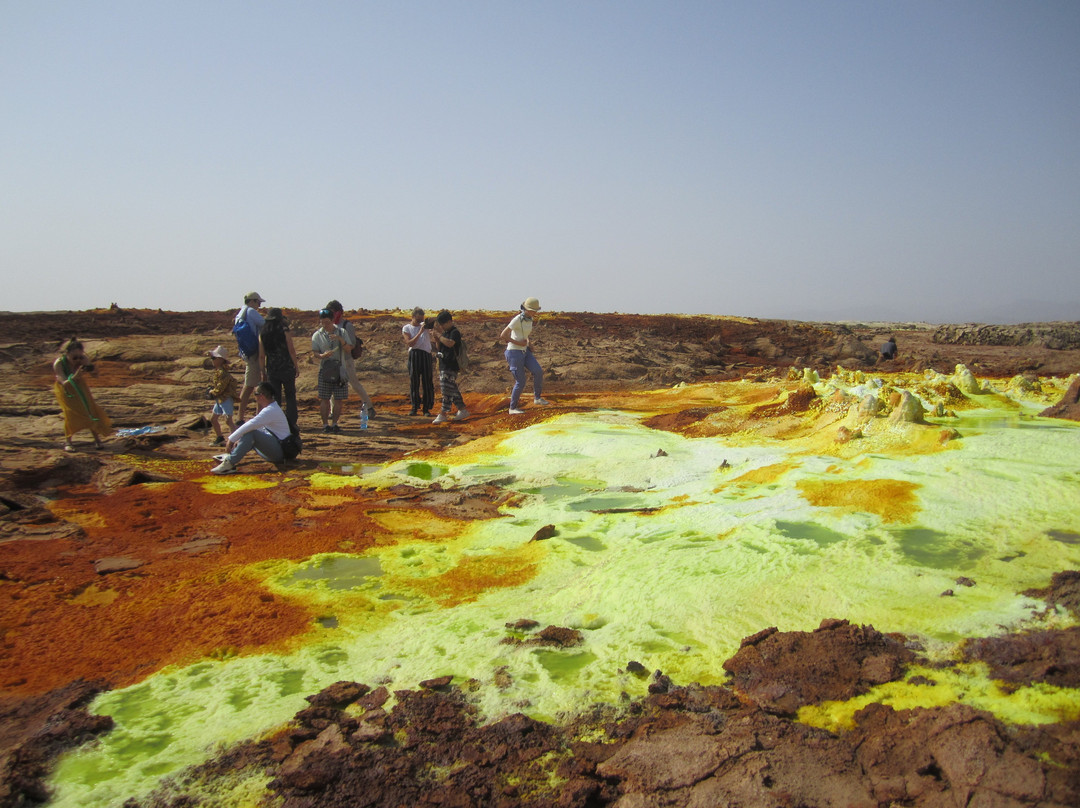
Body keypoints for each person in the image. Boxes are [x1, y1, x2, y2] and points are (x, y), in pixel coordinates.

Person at [211, 382, 292, 474]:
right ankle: (231, 456)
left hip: (279, 452)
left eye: (255, 394)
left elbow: (251, 424)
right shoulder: (271, 408)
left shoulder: (271, 410)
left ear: (261, 396)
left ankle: (229, 463)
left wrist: (231, 440)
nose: (254, 397)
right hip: (275, 448)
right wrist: (241, 439)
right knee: (249, 433)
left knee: (251, 433)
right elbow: (257, 427)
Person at [52, 338, 113, 452]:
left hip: (80, 386)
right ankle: (68, 441)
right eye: (74, 358)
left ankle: (97, 440)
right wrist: (76, 376)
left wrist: (92, 368)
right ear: (67, 354)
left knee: (89, 410)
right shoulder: (59, 363)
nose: (77, 360)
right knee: (71, 414)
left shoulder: (83, 360)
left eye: (80, 357)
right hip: (67, 390)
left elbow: (95, 376)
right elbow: (64, 382)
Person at [500, 296, 551, 415]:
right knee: (521, 381)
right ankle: (512, 408)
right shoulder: (517, 319)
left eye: (535, 311)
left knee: (538, 371)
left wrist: (529, 343)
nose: (535, 313)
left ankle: (537, 398)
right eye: (533, 310)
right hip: (514, 352)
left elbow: (525, 334)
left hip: (525, 351)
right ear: (526, 309)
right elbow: (503, 335)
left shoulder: (530, 319)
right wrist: (519, 343)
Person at [326, 300, 375, 420]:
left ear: (339, 312)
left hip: (346, 360)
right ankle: (333, 411)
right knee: (333, 386)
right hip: (332, 361)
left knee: (354, 384)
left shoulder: (347, 325)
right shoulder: (328, 325)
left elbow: (352, 344)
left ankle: (369, 407)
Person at [258, 308, 300, 430]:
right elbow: (291, 349)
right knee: (290, 395)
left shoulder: (263, 333)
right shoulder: (284, 330)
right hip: (286, 366)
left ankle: (276, 422)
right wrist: (296, 366)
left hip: (272, 368)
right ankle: (292, 422)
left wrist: (263, 371)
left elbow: (261, 355)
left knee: (275, 397)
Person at [311, 308, 350, 433]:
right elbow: (315, 352)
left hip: (340, 370)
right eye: (322, 322)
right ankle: (325, 425)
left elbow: (348, 348)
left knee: (338, 399)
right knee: (324, 398)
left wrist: (340, 339)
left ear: (332, 320)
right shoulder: (317, 335)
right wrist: (322, 356)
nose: (325, 325)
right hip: (325, 369)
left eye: (327, 322)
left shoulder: (342, 332)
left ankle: (335, 424)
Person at [234, 292, 266, 423]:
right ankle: (243, 417)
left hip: (246, 352)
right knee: (253, 385)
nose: (259, 305)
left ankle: (244, 415)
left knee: (253, 384)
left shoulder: (240, 314)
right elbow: (264, 324)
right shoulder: (251, 312)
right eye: (258, 302)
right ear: (252, 301)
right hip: (254, 353)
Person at [432, 310, 468, 423]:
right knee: (451, 388)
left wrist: (439, 335)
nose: (442, 327)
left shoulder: (454, 332)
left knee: (446, 390)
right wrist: (437, 338)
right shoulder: (445, 333)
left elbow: (450, 343)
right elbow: (440, 347)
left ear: (449, 322)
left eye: (443, 324)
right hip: (443, 364)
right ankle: (462, 409)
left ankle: (443, 413)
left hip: (451, 365)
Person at [402, 307, 435, 416]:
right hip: (414, 354)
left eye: (422, 319)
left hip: (426, 354)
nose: (420, 322)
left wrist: (428, 321)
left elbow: (437, 321)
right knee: (414, 382)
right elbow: (410, 343)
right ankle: (414, 406)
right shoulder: (406, 328)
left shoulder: (424, 326)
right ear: (412, 317)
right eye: (418, 320)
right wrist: (420, 331)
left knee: (427, 382)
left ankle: (426, 408)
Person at [205, 345, 238, 445]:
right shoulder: (219, 371)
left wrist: (212, 392)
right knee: (213, 419)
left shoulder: (223, 373)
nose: (212, 360)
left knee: (229, 421)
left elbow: (220, 387)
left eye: (213, 358)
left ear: (220, 359)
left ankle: (235, 441)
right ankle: (220, 439)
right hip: (220, 399)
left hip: (226, 398)